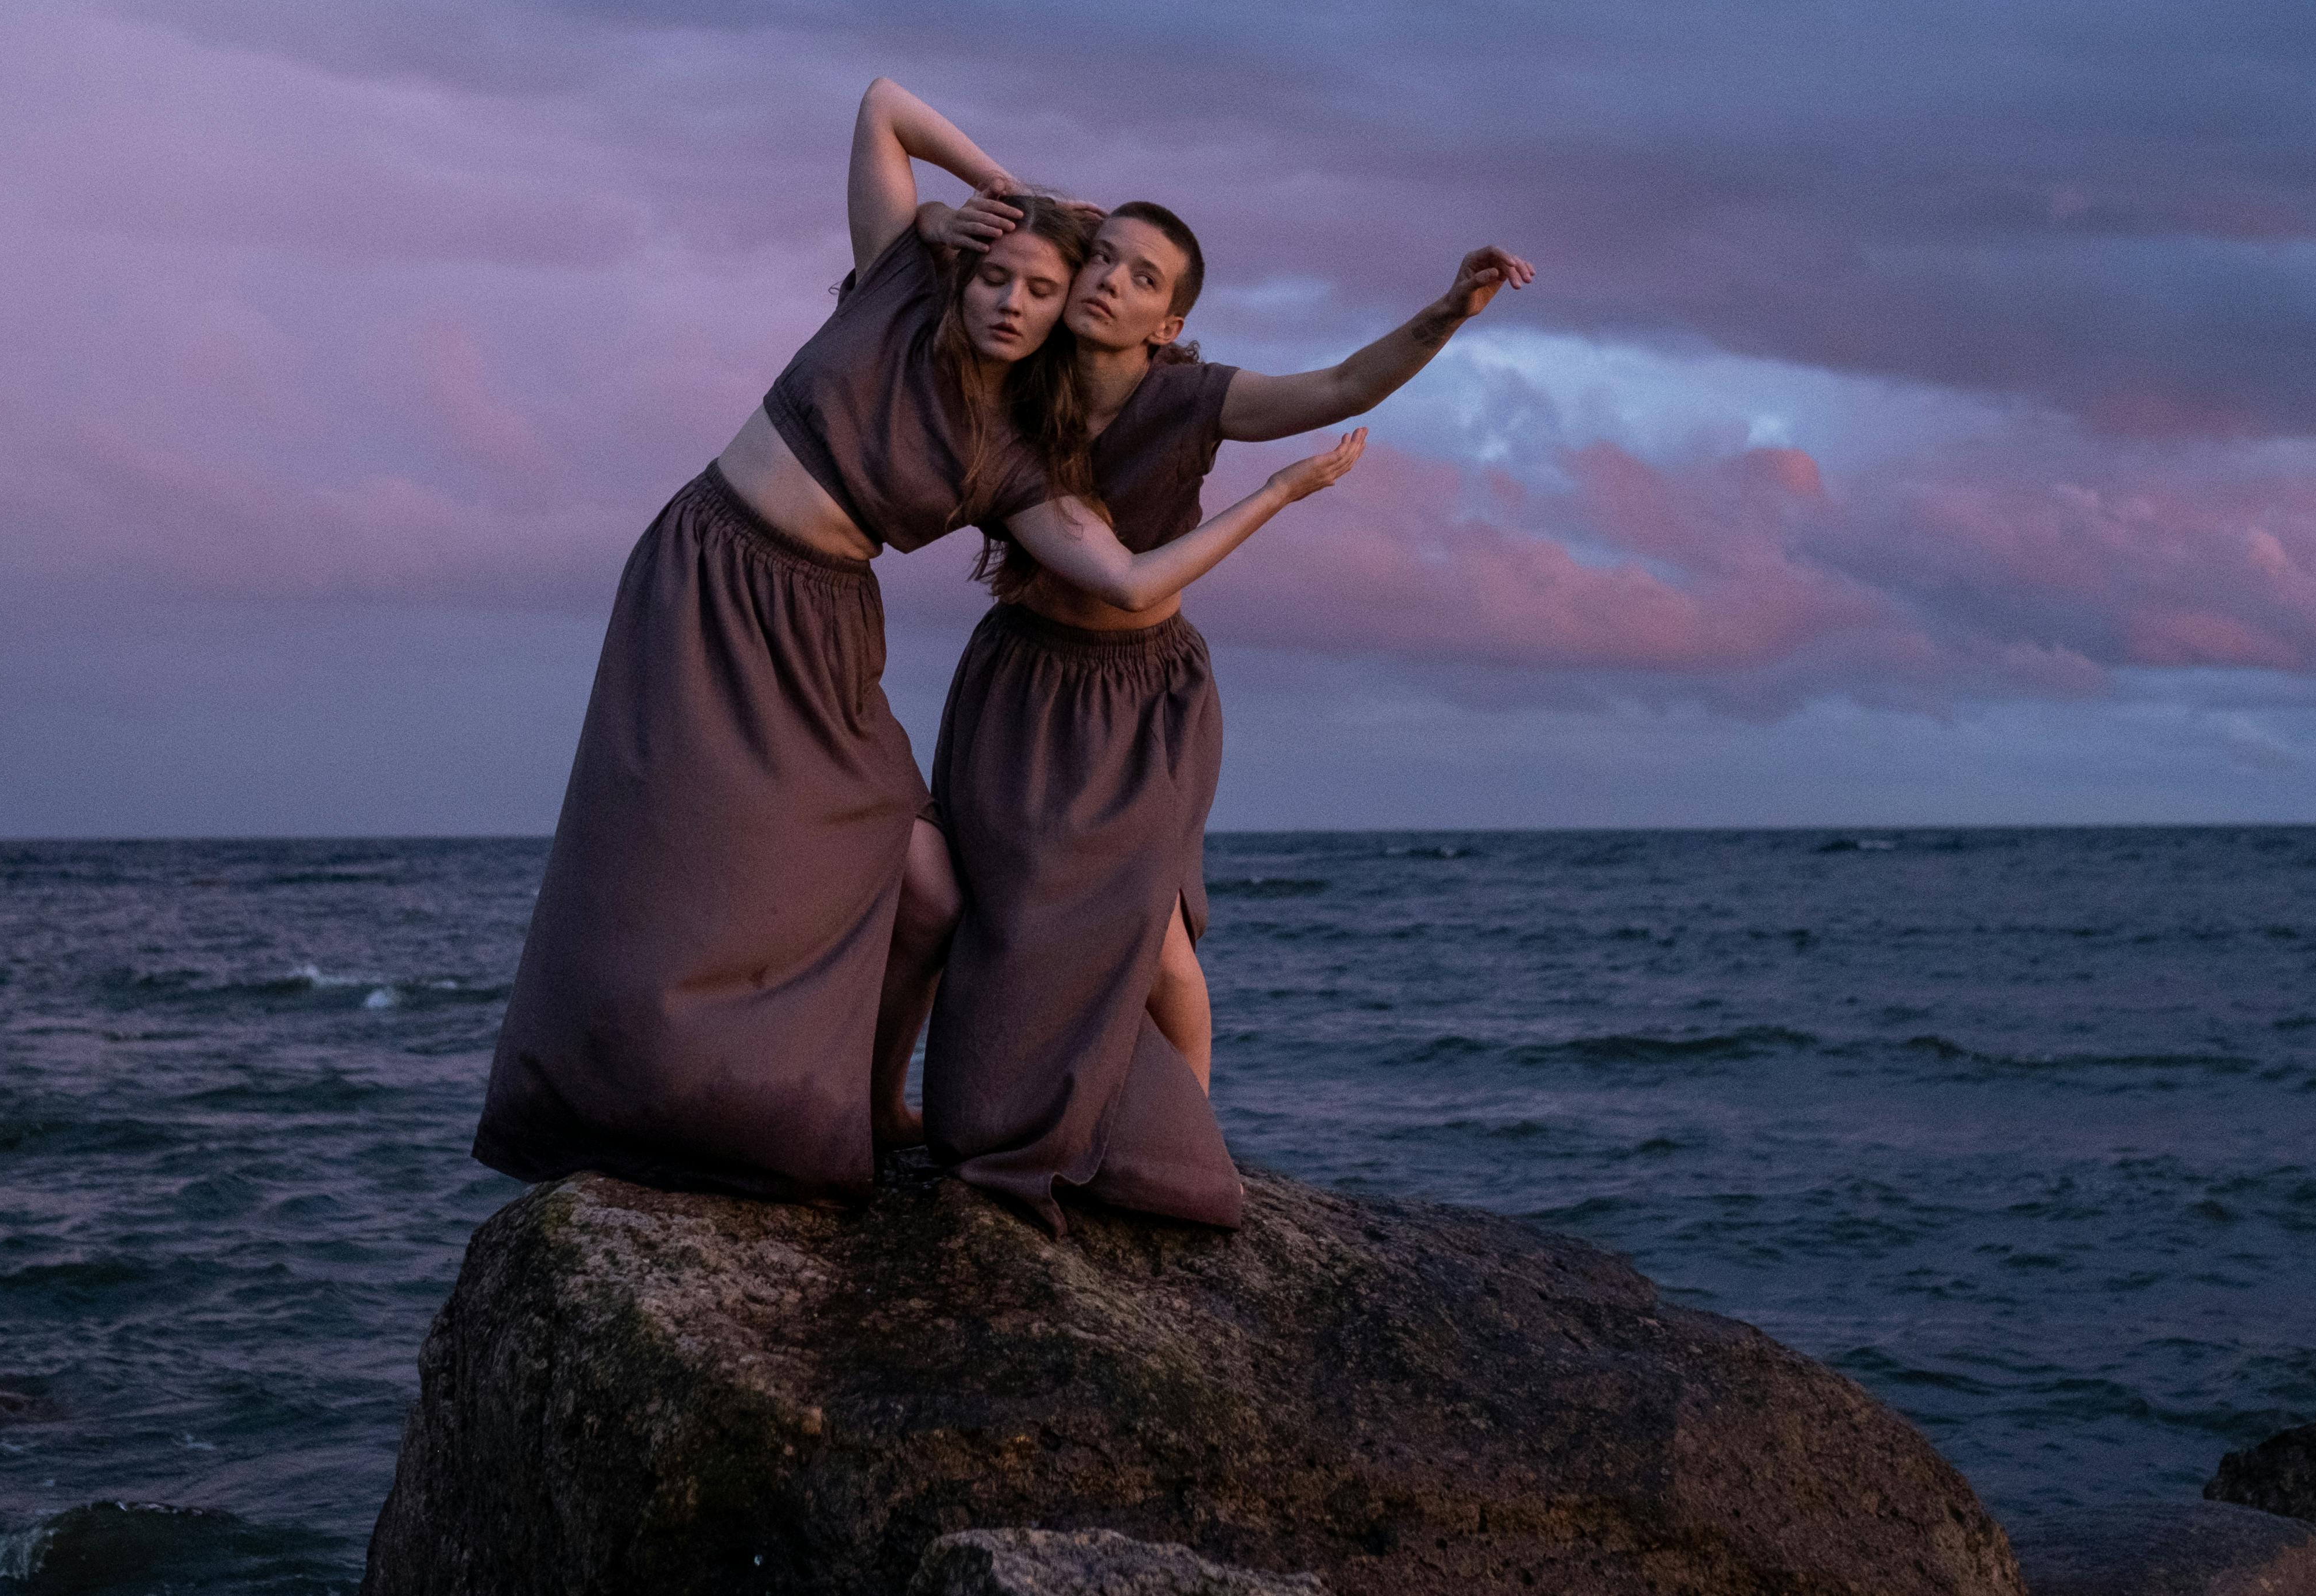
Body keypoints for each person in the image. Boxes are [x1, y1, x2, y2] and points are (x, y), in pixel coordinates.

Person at [474, 81, 1368, 1204]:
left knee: (936, 891)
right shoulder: (898, 279)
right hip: (707, 573)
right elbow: (884, 108)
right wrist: (1010, 197)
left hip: (822, 625)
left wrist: (1281, 491)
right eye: (998, 273)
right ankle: (616, 1087)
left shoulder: (1009, 455)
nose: (1010, 299)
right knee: (672, 849)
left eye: (1042, 289)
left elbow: (1132, 577)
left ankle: (871, 1093)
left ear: (1059, 319)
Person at [879, 197, 1532, 1229]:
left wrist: (1448, 310)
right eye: (1102, 260)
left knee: (1161, 939)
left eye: (1144, 278)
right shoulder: (1013, 379)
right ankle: (899, 1101)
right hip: (1021, 683)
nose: (1108, 283)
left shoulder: (1191, 399)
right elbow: (942, 266)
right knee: (991, 907)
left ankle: (1185, 1135)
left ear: (1168, 324)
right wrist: (936, 220)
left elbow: (1340, 384)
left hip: (1146, 693)